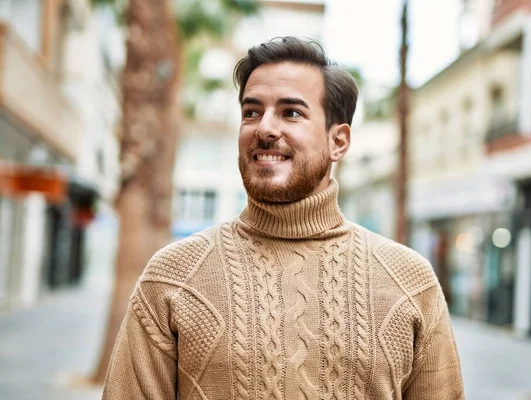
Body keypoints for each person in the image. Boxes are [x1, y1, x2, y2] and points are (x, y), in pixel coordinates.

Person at [102, 36, 464, 400]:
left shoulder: (409, 281)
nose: (264, 128)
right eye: (251, 112)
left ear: (338, 141)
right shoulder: (174, 276)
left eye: (291, 112)